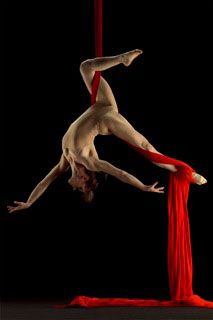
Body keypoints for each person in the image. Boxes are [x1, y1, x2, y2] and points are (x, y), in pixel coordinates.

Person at [7, 49, 207, 211]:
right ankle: (188, 173)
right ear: (84, 180)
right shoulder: (90, 162)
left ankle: (122, 59)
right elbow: (119, 173)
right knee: (147, 148)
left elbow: (44, 182)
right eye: (79, 190)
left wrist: (29, 202)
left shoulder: (65, 161)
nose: (73, 188)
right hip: (107, 121)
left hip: (101, 105)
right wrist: (142, 186)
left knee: (86, 67)